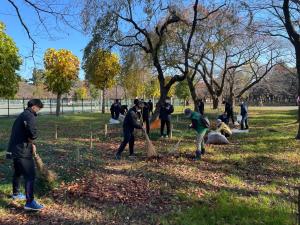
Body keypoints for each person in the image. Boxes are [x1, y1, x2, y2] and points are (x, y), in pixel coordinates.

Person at [6, 99, 44, 211]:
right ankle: (30, 202)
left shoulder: (22, 114)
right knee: (30, 176)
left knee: (18, 172)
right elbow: (32, 132)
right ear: (34, 107)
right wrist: (32, 142)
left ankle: (16, 194)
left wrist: (30, 142)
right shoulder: (30, 115)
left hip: (14, 149)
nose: (39, 110)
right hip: (22, 150)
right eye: (39, 108)